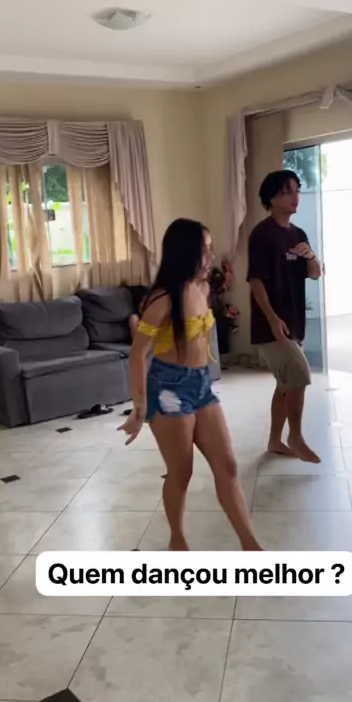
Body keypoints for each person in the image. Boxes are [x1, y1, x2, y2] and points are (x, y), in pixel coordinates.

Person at [119, 218, 262, 552]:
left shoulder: (202, 289)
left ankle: (251, 546)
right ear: (184, 253)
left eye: (210, 249)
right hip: (168, 389)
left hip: (201, 386)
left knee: (227, 466)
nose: (210, 257)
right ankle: (177, 539)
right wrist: (139, 406)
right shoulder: (163, 299)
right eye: (203, 251)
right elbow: (138, 353)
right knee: (181, 472)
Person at [247, 170, 322, 463]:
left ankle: (275, 440)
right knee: (299, 374)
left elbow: (315, 274)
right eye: (287, 191)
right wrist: (271, 318)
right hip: (271, 324)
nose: (295, 196)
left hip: (294, 320)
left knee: (284, 384)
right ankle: (296, 436)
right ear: (271, 198)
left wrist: (310, 256)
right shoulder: (261, 235)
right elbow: (255, 280)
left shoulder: (298, 234)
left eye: (297, 189)